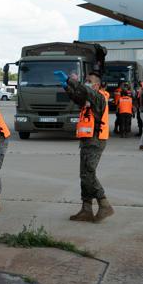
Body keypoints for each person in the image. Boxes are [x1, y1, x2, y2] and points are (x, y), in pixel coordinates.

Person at [54, 70, 114, 222]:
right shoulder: (89, 98)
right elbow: (77, 97)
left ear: (96, 85)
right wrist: (67, 87)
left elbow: (84, 90)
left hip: (95, 140)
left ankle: (104, 203)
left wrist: (69, 80)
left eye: (88, 80)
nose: (86, 82)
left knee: (88, 174)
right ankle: (86, 209)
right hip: (87, 140)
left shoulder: (99, 97)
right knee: (84, 175)